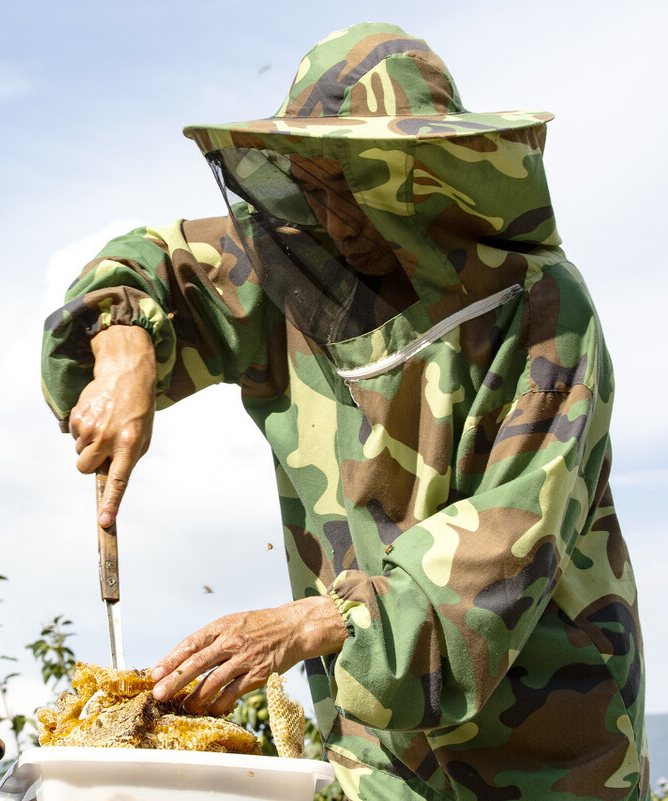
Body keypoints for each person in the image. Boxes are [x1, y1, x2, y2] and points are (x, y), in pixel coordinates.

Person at [40, 22, 648, 801]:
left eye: (361, 183)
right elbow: (152, 261)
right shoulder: (289, 273)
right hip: (379, 763)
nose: (337, 220)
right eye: (313, 188)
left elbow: (505, 544)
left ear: (428, 172)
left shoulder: (545, 314)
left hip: (557, 765)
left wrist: (320, 623)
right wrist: (122, 343)